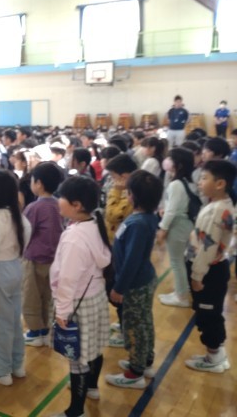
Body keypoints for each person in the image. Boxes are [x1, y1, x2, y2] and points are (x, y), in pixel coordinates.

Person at [51, 176, 111, 416]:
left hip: (77, 303)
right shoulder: (94, 222)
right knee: (93, 348)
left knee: (77, 359)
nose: (58, 201)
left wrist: (62, 311)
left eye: (61, 197)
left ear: (76, 205)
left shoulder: (74, 238)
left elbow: (67, 280)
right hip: (95, 298)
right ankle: (92, 388)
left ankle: (76, 411)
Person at [106, 170, 163, 389]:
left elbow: (132, 260)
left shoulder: (138, 223)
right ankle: (144, 360)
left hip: (135, 284)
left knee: (134, 326)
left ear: (134, 196)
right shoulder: (145, 217)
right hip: (142, 279)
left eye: (128, 191)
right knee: (144, 322)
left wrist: (119, 288)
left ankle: (135, 373)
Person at [184, 160, 234, 373]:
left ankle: (215, 357)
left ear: (220, 184)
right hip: (211, 270)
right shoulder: (219, 204)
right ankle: (214, 354)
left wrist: (197, 276)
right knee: (208, 312)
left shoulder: (216, 211)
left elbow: (206, 248)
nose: (200, 182)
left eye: (204, 178)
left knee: (208, 314)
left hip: (208, 272)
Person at [0, 170, 30, 386]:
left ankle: (1, 371)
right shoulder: (20, 217)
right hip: (16, 268)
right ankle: (17, 365)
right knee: (14, 319)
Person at [23, 162, 64, 346]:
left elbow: (25, 232)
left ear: (38, 183)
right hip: (54, 259)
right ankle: (46, 329)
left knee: (31, 296)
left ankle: (35, 331)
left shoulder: (34, 207)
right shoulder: (59, 204)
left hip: (34, 259)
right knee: (47, 296)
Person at [156, 148, 197, 308]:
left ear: (178, 164)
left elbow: (172, 211)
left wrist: (163, 229)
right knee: (180, 260)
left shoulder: (176, 184)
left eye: (170, 158)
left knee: (176, 261)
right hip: (186, 223)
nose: (166, 161)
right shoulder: (187, 181)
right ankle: (181, 290)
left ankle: (181, 297)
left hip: (177, 225)